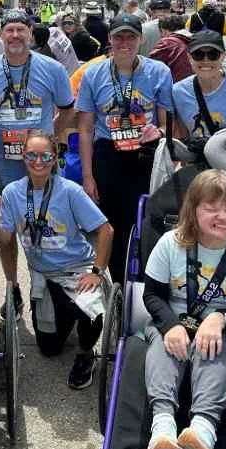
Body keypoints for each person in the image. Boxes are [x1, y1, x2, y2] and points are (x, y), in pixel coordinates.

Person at [142, 170, 226, 449]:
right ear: (193, 211)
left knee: (213, 348)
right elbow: (152, 295)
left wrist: (220, 319)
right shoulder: (171, 243)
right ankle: (162, 425)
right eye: (211, 208)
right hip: (174, 319)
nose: (223, 216)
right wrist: (171, 325)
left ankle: (202, 431)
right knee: (164, 345)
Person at [0, 131, 113, 389]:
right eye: (32, 155)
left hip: (76, 269)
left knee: (89, 310)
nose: (39, 161)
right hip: (44, 274)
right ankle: (64, 310)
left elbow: (106, 231)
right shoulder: (13, 193)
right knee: (49, 349)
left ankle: (85, 353)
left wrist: (97, 272)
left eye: (46, 155)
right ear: (23, 157)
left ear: (55, 157)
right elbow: (4, 240)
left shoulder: (70, 191)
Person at [77, 14, 173, 281]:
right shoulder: (93, 74)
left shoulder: (158, 72)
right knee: (112, 227)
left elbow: (169, 125)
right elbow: (85, 128)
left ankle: (144, 286)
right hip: (108, 156)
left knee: (144, 222)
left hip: (145, 156)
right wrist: (88, 177)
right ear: (109, 39)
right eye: (119, 36)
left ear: (141, 39)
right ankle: (118, 286)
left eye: (131, 36)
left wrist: (159, 131)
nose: (125, 43)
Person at [0, 10, 75, 185]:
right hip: (0, 165)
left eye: (20, 30)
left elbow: (68, 110)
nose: (15, 35)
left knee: (46, 211)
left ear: (30, 33)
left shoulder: (53, 69)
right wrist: (0, 136)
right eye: (10, 30)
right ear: (1, 34)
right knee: (2, 210)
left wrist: (47, 136)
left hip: (42, 163)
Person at [149, 15, 193, 82]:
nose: (161, 36)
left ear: (164, 30)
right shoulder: (193, 39)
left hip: (175, 86)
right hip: (194, 85)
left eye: (161, 32)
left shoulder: (167, 42)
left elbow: (150, 65)